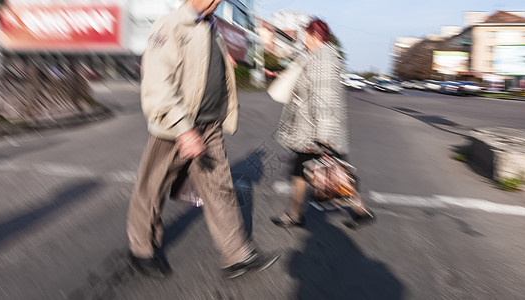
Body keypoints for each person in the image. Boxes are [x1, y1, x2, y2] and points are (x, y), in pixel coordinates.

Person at [126, 0, 278, 279]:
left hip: (209, 126)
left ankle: (237, 255)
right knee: (152, 187)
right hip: (176, 126)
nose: (217, 2)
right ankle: (140, 250)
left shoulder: (211, 28)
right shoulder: (171, 24)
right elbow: (157, 83)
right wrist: (183, 129)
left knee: (221, 190)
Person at [270, 19, 375, 229]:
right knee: (310, 172)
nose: (304, 39)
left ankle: (296, 214)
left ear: (315, 35)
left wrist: (324, 138)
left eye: (306, 35)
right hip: (311, 130)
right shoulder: (314, 57)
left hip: (316, 133)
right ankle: (296, 213)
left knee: (331, 175)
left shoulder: (323, 58)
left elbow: (324, 98)